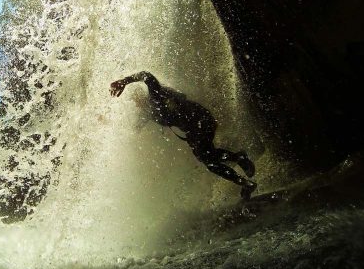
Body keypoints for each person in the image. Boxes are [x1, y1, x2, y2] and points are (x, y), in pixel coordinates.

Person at [110, 71, 257, 200]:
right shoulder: (147, 113)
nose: (137, 103)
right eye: (135, 101)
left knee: (207, 158)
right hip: (193, 129)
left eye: (138, 98)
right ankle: (242, 171)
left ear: (143, 94)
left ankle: (242, 170)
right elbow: (132, 130)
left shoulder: (155, 96)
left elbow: (146, 75)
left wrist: (125, 81)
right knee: (209, 160)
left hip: (200, 119)